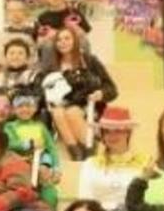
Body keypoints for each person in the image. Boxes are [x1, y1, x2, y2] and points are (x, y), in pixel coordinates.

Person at [43, 27, 118, 156]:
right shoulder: (51, 67)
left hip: (88, 104)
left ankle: (92, 150)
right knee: (58, 113)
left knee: (71, 112)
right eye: (59, 40)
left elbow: (111, 89)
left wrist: (100, 94)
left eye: (67, 38)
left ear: (75, 41)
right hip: (61, 106)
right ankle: (76, 152)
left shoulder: (90, 61)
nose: (63, 42)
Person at [76, 106, 150, 211]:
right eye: (107, 131)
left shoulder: (145, 163)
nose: (112, 136)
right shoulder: (90, 165)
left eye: (118, 130)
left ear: (128, 132)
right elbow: (85, 201)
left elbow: (148, 201)